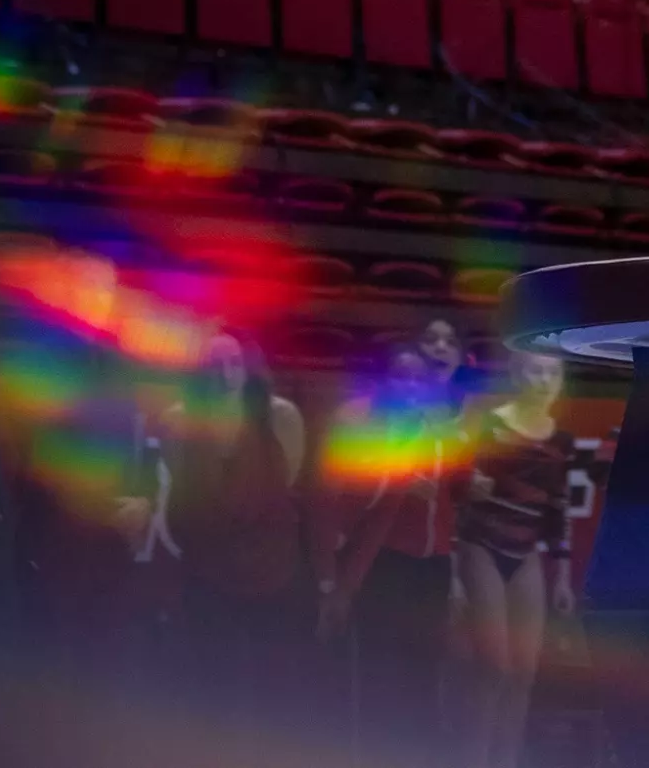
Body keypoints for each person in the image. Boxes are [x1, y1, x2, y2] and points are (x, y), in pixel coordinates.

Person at [309, 343, 475, 768]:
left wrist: (453, 571)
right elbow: (331, 503)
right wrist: (331, 581)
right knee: (379, 678)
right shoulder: (359, 427)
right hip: (381, 564)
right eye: (400, 377)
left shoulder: (440, 433)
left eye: (417, 378)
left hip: (431, 567)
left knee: (424, 676)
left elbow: (456, 504)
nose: (410, 387)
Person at [160, 329, 309, 734]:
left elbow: (286, 486)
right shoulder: (178, 422)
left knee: (274, 699)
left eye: (233, 362)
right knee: (214, 696)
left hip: (273, 574)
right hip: (207, 576)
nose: (223, 373)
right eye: (212, 364)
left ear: (248, 368)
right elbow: (185, 495)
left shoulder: (282, 418)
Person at [458, 350, 576, 768]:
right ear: (516, 374)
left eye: (552, 372)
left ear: (561, 380)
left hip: (526, 554)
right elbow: (457, 481)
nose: (544, 380)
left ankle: (505, 761)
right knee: (494, 668)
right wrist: (467, 484)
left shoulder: (562, 441)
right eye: (535, 370)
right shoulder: (491, 424)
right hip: (482, 546)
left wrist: (561, 577)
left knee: (525, 673)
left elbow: (558, 510)